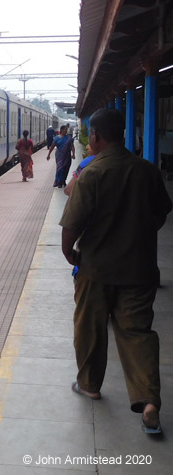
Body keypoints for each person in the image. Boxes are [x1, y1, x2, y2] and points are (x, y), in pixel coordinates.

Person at [59, 108, 172, 435]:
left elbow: (71, 224)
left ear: (94, 137)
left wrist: (69, 253)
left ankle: (90, 385)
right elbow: (162, 213)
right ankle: (148, 401)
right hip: (139, 269)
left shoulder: (92, 174)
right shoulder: (147, 171)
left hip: (95, 269)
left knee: (90, 328)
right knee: (138, 334)